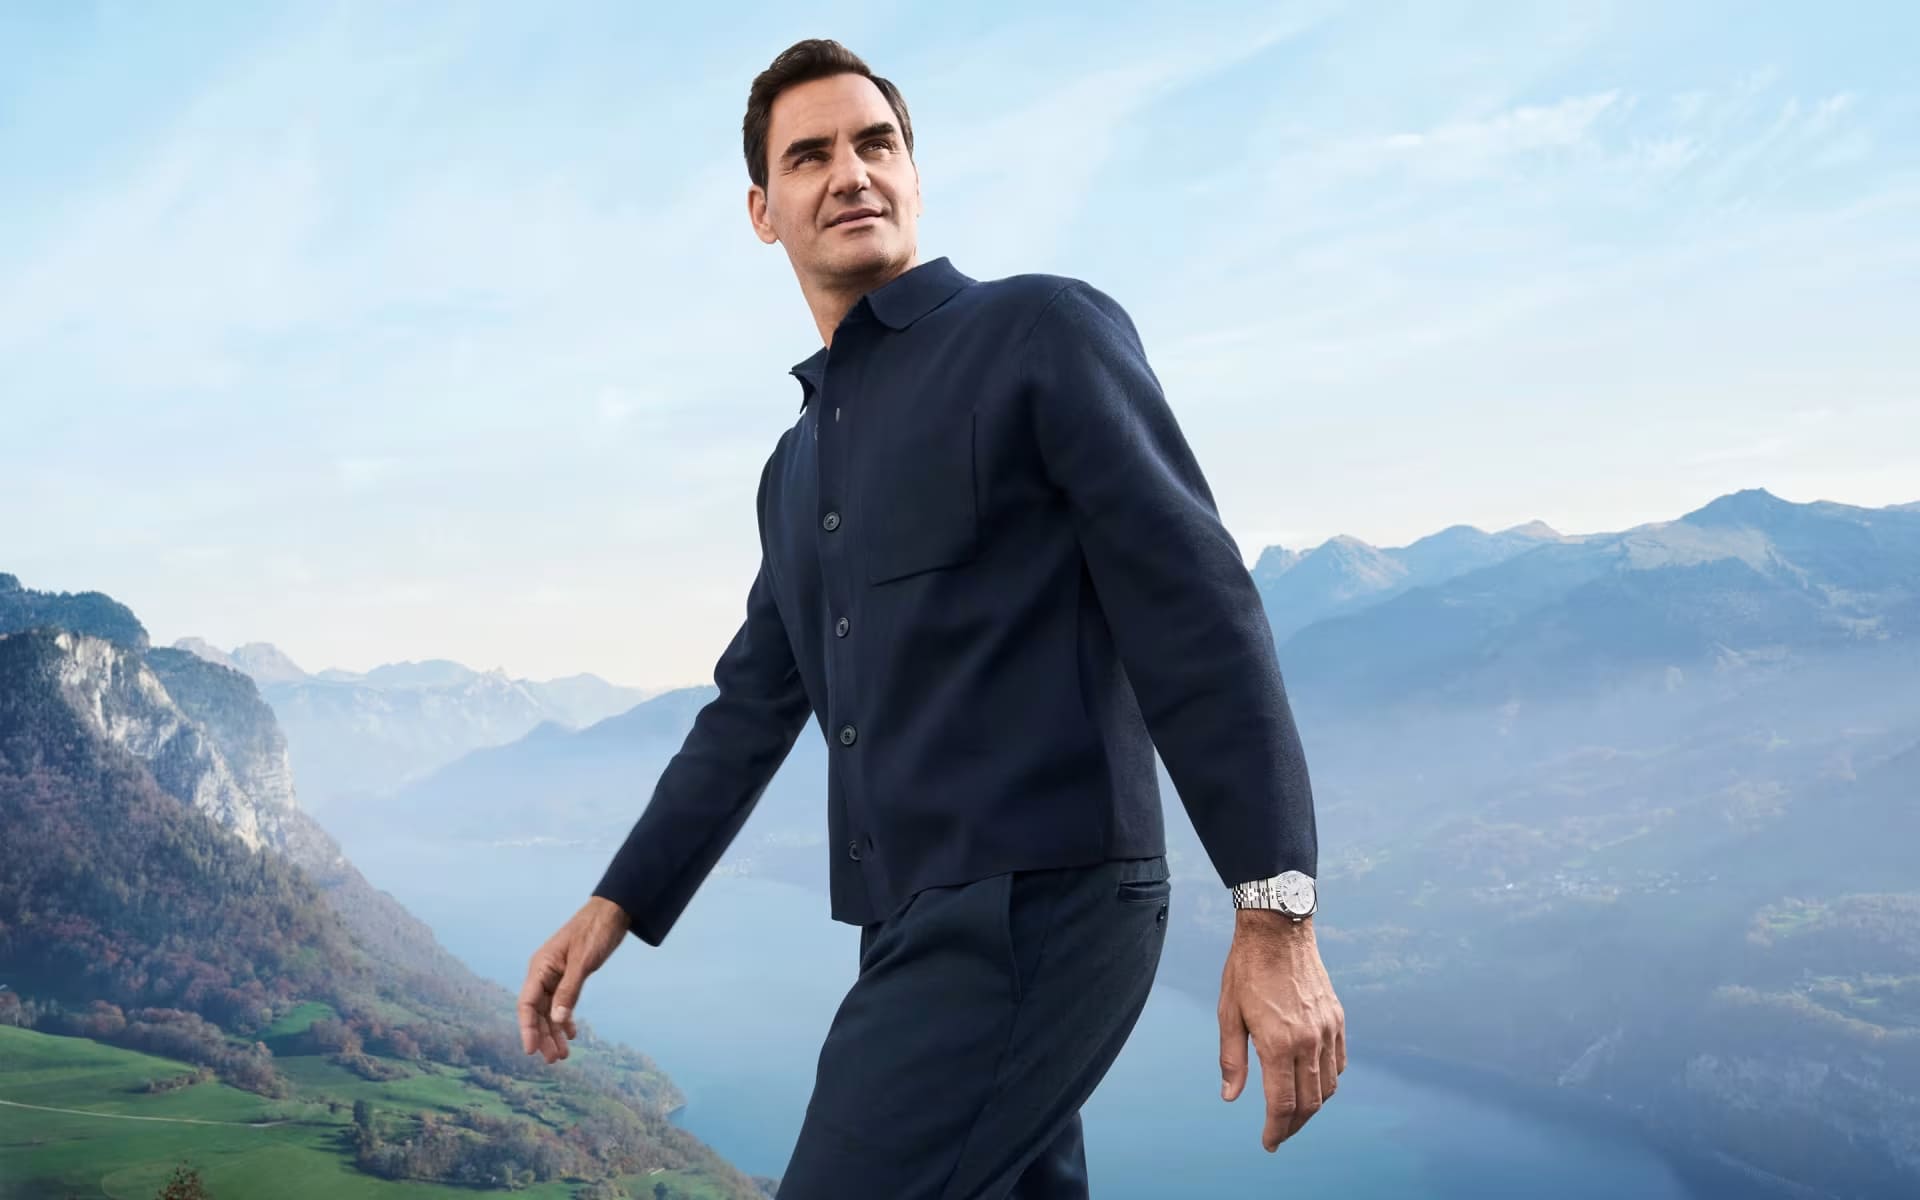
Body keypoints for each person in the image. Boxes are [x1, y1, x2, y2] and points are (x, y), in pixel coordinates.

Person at [518, 37, 1345, 1198]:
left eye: (877, 144)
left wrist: (1277, 910)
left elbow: (1198, 609)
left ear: (913, 173)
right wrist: (617, 903)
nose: (850, 172)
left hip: (1042, 905)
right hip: (905, 924)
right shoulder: (793, 470)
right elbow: (750, 708)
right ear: (762, 212)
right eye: (809, 156)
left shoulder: (1040, 332)